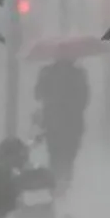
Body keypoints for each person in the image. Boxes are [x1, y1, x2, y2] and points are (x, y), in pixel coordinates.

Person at [34, 57, 89, 194]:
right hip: (65, 122)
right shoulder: (78, 74)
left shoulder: (49, 72)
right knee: (63, 155)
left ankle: (59, 184)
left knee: (60, 154)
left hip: (61, 122)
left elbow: (38, 94)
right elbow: (85, 98)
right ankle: (61, 184)